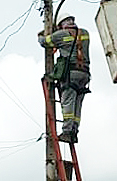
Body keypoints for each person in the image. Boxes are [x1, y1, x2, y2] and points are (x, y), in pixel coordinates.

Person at [38, 12, 90, 143]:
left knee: (68, 102)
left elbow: (45, 42)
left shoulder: (61, 35)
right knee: (77, 105)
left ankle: (67, 131)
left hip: (71, 74)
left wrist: (41, 35)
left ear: (61, 24)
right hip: (84, 74)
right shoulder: (85, 33)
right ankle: (74, 131)